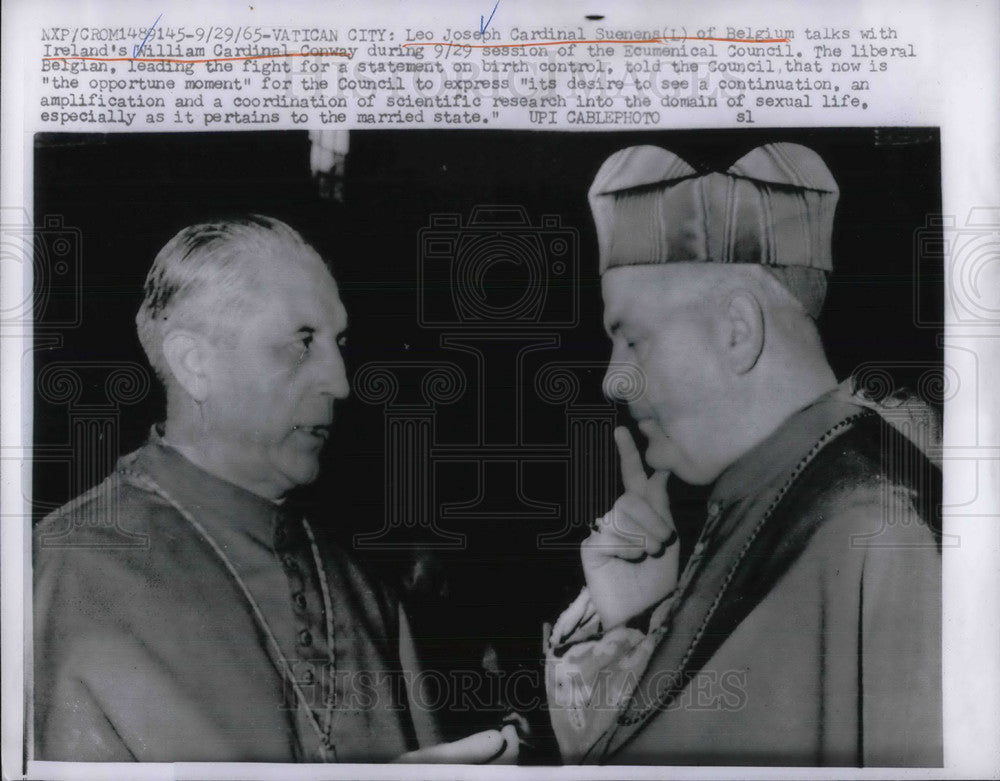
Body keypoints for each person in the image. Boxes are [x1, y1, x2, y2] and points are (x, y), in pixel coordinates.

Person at [33, 216, 518, 764]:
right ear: (196, 364)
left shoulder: (365, 587)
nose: (340, 382)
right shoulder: (69, 571)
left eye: (339, 343)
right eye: (301, 343)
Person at [544, 144, 942, 766]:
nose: (611, 380)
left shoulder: (876, 528)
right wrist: (637, 617)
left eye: (631, 338)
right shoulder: (792, 486)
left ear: (737, 330)